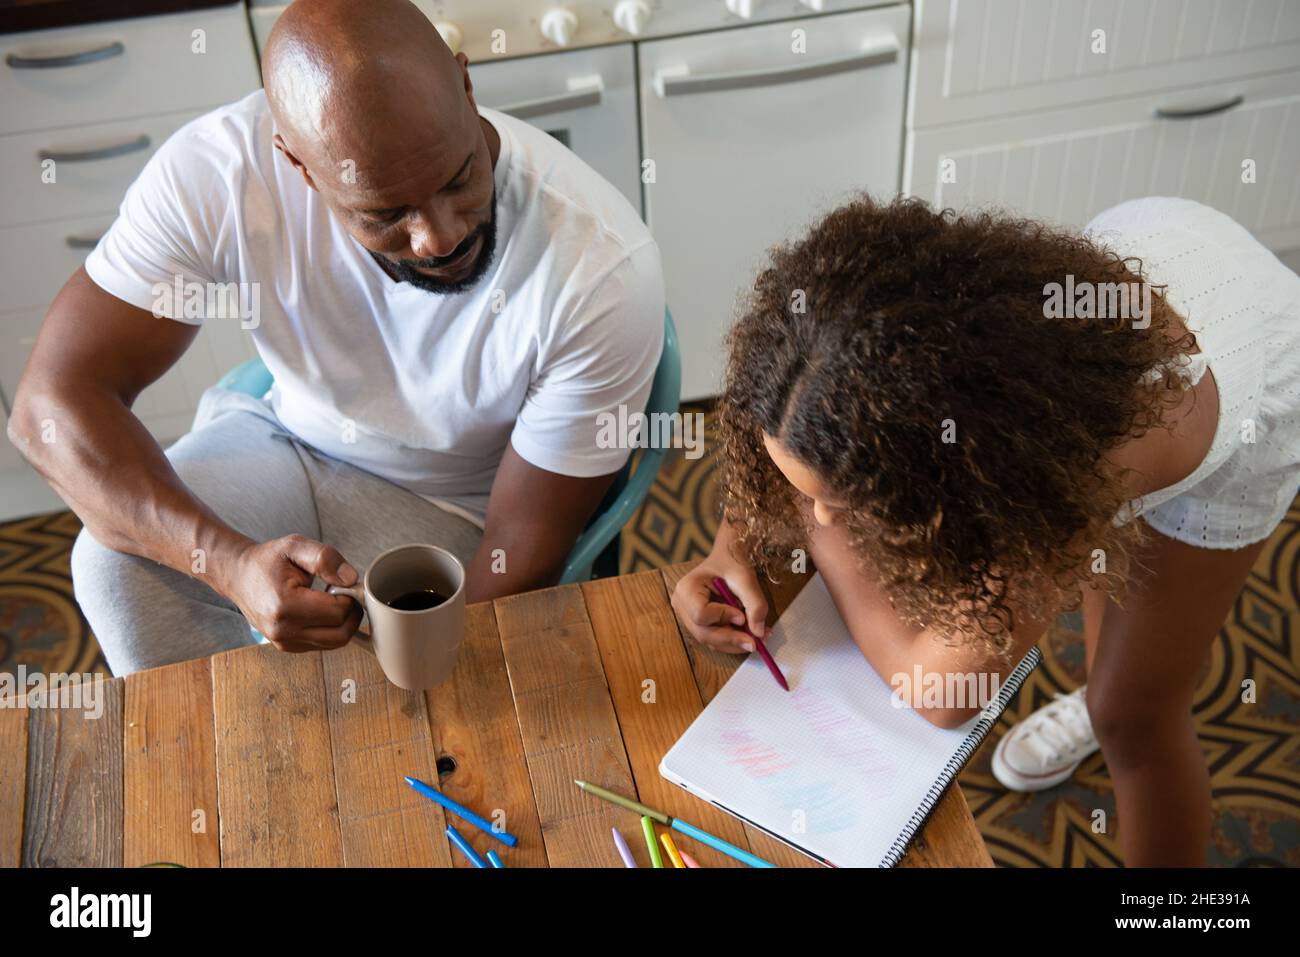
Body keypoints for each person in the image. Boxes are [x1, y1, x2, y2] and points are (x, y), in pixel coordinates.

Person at [7, 0, 663, 674]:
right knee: (112, 565)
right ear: (298, 166)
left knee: (357, 682)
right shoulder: (219, 173)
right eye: (387, 213)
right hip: (283, 438)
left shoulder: (600, 268)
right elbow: (47, 408)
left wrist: (399, 656)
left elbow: (522, 545)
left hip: (452, 506)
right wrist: (228, 564)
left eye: (459, 178)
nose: (440, 236)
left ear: (467, 87)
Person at [672, 194, 1300, 866]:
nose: (820, 516)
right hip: (1161, 256)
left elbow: (942, 693)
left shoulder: (1066, 475)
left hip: (1253, 385)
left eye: (835, 498)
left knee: (1134, 713)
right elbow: (802, 436)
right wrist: (728, 548)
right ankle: (1093, 688)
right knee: (1107, 645)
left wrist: (815, 532)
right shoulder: (908, 362)